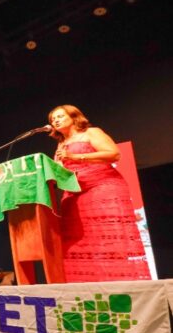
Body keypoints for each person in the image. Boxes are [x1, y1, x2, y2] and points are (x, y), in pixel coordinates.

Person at [50, 104, 151, 282]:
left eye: (60, 116)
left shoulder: (91, 133)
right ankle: (92, 285)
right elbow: (61, 171)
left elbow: (114, 154)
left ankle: (121, 283)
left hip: (102, 187)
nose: (55, 121)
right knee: (82, 243)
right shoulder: (61, 145)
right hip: (75, 193)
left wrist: (76, 157)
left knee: (109, 239)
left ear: (73, 117)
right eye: (52, 119)